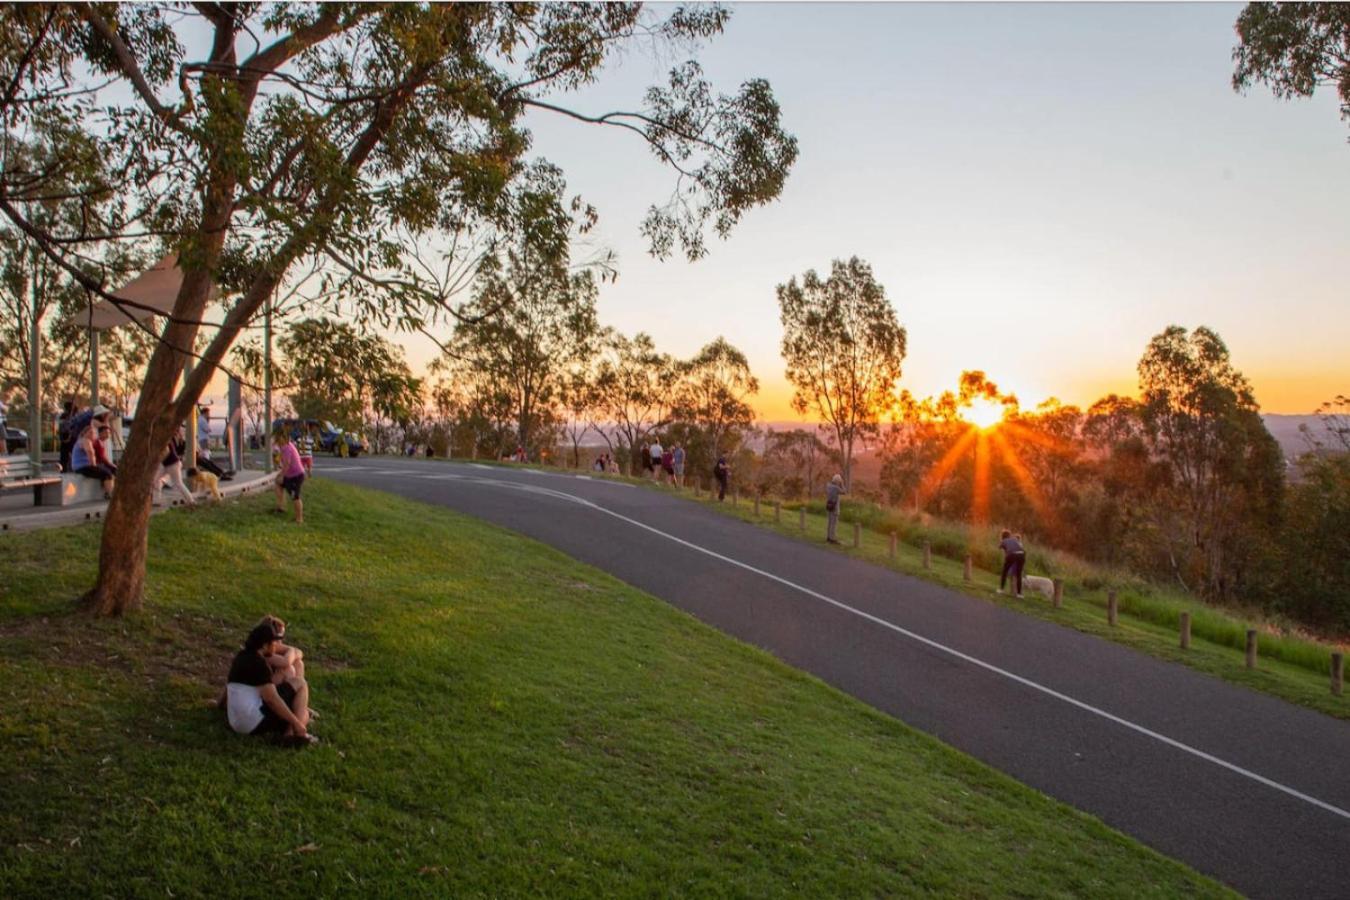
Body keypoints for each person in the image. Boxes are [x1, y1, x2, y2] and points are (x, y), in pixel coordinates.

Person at [223, 620, 315, 745]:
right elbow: (271, 700)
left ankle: (294, 729)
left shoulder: (241, 657)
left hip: (235, 721)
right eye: (274, 643)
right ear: (265, 645)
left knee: (301, 711)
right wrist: (296, 722)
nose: (276, 646)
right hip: (253, 723)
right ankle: (292, 734)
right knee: (301, 684)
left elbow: (230, 687)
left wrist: (219, 705)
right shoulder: (259, 664)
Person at [70, 406, 115, 497]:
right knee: (107, 474)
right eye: (92, 433)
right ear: (86, 433)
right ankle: (110, 494)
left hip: (83, 466)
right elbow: (90, 453)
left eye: (94, 433)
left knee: (106, 472)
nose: (93, 435)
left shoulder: (84, 440)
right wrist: (94, 465)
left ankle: (109, 491)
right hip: (82, 467)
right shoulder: (85, 441)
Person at [157, 425, 195, 507]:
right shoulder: (166, 437)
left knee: (178, 483)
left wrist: (159, 459)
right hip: (168, 464)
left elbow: (166, 451)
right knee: (156, 480)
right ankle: (156, 500)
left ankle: (190, 501)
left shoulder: (164, 438)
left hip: (172, 463)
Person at [273, 430, 305, 524]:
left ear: (284, 438)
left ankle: (299, 519)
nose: (277, 440)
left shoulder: (287, 448)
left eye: (279, 437)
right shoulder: (283, 447)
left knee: (295, 496)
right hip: (289, 474)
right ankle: (281, 507)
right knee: (278, 484)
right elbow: (280, 460)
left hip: (296, 475)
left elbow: (287, 464)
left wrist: (281, 475)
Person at [998, 529, 1027, 598]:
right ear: (1009, 535)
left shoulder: (1004, 540)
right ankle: (1019, 594)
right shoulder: (1014, 539)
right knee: (1019, 574)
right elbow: (1020, 547)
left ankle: (1001, 589)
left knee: (1004, 571)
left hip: (1012, 554)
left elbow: (1000, 547)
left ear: (1003, 536)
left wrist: (1003, 545)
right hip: (1022, 555)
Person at [825, 473, 845, 544]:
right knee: (834, 524)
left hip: (829, 506)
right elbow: (844, 492)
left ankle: (828, 537)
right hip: (835, 507)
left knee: (829, 522)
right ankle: (832, 538)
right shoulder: (836, 488)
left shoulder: (828, 486)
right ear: (838, 481)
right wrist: (842, 484)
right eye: (839, 481)